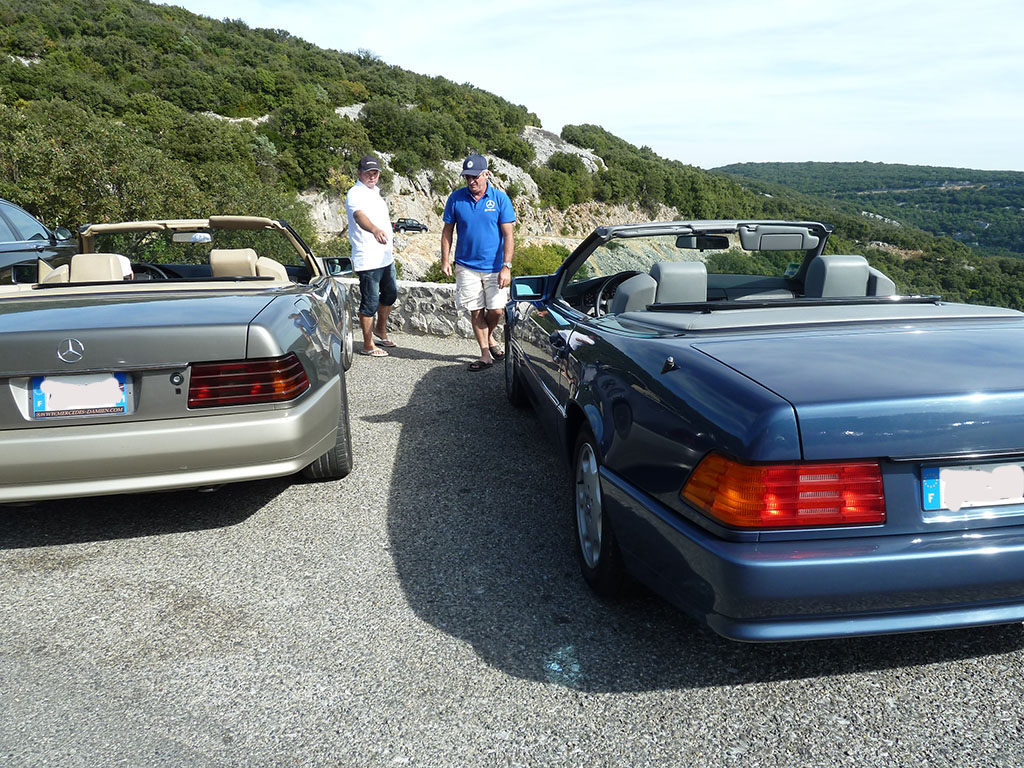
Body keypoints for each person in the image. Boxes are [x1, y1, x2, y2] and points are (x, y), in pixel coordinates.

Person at [441, 153, 516, 372]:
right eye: (467, 177)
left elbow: (509, 235)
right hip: (466, 265)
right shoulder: (456, 198)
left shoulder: (500, 199)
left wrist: (506, 266)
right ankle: (485, 354)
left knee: (496, 310)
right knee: (476, 310)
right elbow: (447, 231)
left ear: (486, 175)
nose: (471, 181)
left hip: (494, 267)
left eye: (475, 177)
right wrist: (445, 259)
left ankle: (489, 337)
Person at [345, 154, 398, 357]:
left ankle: (380, 330)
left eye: (375, 172)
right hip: (367, 258)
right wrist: (374, 229)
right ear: (359, 173)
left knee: (390, 294)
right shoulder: (355, 193)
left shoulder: (375, 192)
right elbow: (359, 216)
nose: (372, 176)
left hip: (385, 256)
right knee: (369, 302)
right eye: (368, 173)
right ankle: (368, 345)